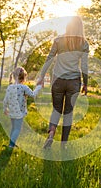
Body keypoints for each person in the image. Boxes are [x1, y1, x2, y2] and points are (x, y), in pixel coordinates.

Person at [37, 16, 89, 148]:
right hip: (73, 82)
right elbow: (84, 66)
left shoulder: (59, 40)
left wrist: (41, 77)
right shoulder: (83, 43)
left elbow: (49, 58)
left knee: (56, 110)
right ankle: (63, 145)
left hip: (58, 81)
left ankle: (51, 134)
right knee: (68, 113)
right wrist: (86, 84)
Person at [3, 66, 42, 148]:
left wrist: (5, 108)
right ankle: (11, 145)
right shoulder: (24, 87)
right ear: (24, 77)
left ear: (14, 76)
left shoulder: (10, 87)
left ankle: (11, 143)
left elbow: (5, 100)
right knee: (17, 129)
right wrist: (38, 87)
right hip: (19, 113)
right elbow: (33, 94)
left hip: (11, 111)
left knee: (14, 128)